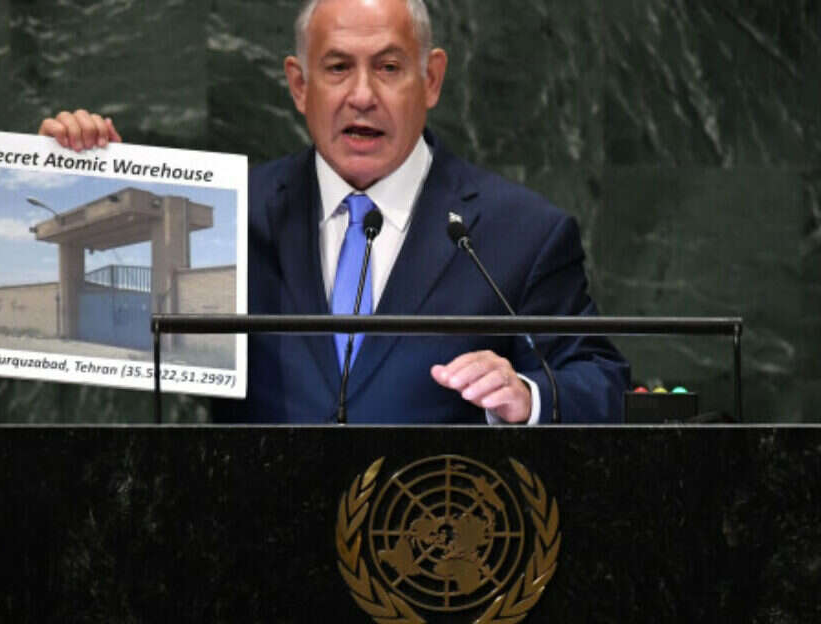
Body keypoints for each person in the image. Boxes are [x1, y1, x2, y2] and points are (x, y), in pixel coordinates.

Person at [39, 0, 629, 424]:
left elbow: (599, 379)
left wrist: (527, 395)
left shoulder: (520, 232)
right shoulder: (236, 213)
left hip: (424, 546)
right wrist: (77, 170)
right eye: (338, 67)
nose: (362, 95)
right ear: (300, 85)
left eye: (389, 67)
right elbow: (111, 332)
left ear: (431, 79)